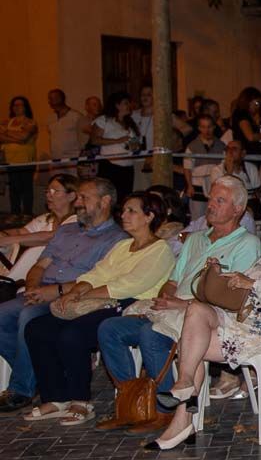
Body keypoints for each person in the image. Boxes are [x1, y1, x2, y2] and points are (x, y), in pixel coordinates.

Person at [149, 203, 261, 450]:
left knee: (192, 347)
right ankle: (185, 386)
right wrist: (219, 273)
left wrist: (250, 284)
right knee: (196, 312)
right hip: (241, 320)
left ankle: (182, 418)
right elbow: (240, 286)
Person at [96, 176, 261, 425]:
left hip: (206, 317)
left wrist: (181, 305)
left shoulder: (247, 244)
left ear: (238, 209)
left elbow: (233, 299)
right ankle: (132, 401)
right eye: (210, 199)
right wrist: (166, 296)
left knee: (151, 335)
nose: (211, 205)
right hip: (172, 309)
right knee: (110, 329)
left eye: (220, 200)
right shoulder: (195, 239)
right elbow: (173, 281)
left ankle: (167, 409)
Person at [21, 192, 175, 425]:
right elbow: (97, 272)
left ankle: (80, 401)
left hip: (129, 304)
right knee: (37, 328)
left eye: (131, 211)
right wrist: (75, 292)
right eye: (123, 210)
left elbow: (131, 284)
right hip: (100, 300)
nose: (123, 215)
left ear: (149, 216)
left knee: (72, 334)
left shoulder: (160, 249)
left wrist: (85, 294)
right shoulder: (123, 246)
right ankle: (55, 398)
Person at [0, 178, 125, 412]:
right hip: (41, 289)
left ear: (105, 201)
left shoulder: (117, 239)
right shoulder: (66, 230)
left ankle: (22, 389)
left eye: (84, 198)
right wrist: (32, 287)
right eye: (77, 197)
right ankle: (40, 369)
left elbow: (97, 280)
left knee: (29, 318)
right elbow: (39, 265)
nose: (77, 203)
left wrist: (53, 292)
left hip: (70, 295)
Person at [0, 174, 78, 273]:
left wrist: (6, 240)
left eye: (55, 191)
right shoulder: (45, 219)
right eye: (47, 191)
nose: (48, 195)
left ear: (71, 196)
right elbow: (21, 231)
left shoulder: (77, 220)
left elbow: (50, 237)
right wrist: (3, 234)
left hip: (60, 272)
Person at [90, 92, 141, 197]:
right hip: (110, 165)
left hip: (128, 167)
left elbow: (133, 143)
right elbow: (95, 140)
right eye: (126, 103)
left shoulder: (130, 123)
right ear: (117, 105)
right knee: (109, 196)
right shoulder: (104, 119)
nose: (129, 106)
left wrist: (134, 146)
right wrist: (118, 140)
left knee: (125, 196)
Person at [46, 89, 87, 162]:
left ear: (59, 99)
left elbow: (84, 136)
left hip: (73, 158)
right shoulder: (50, 118)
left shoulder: (76, 116)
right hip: (56, 158)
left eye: (51, 99)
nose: (49, 102)